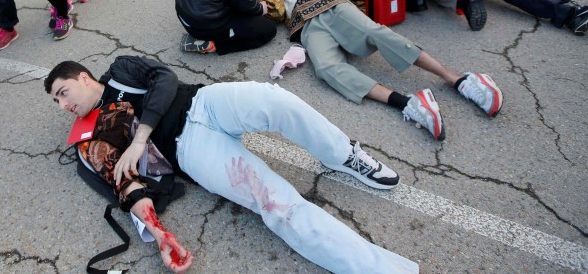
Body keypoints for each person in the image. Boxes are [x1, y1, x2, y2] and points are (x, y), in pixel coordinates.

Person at [45, 56, 418, 273]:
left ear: (83, 77)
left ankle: (343, 155)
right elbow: (125, 185)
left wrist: (140, 137)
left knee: (277, 101)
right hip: (191, 149)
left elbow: (165, 78)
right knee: (276, 204)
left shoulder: (121, 69)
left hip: (203, 102)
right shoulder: (94, 137)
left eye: (63, 93)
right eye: (56, 103)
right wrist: (157, 232)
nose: (64, 106)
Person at [255, 0, 504, 141]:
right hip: (306, 25)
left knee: (375, 33)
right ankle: (407, 102)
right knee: (326, 68)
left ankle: (458, 79)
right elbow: (276, 14)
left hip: (329, 4)